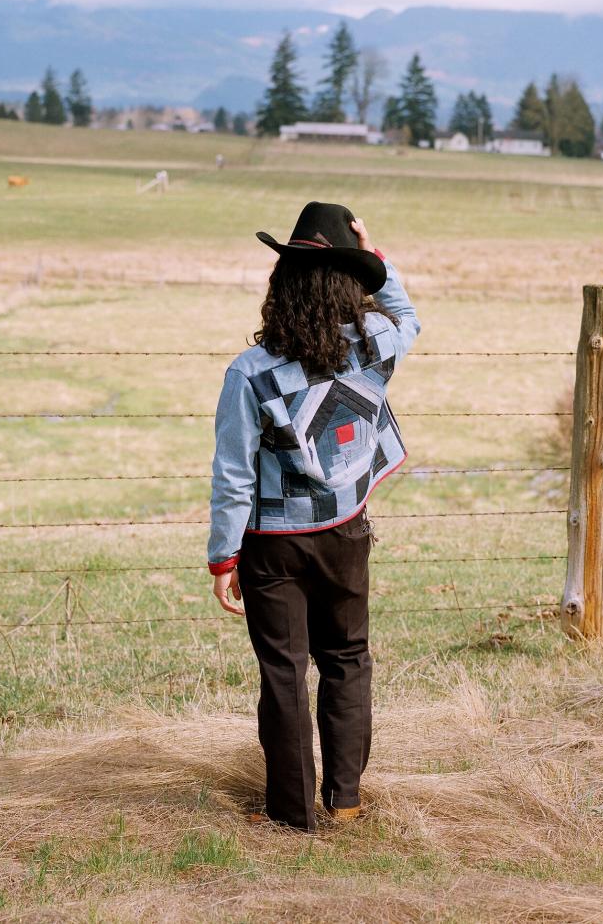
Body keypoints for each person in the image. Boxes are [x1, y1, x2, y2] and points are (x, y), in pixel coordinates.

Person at [207, 201, 420, 832]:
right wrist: (374, 253)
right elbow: (407, 314)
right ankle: (346, 800)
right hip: (346, 530)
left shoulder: (250, 373)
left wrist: (224, 557)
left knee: (283, 672)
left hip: (272, 545)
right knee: (348, 657)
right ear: (350, 286)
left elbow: (234, 474)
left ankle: (294, 814)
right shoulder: (374, 345)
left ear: (283, 285)